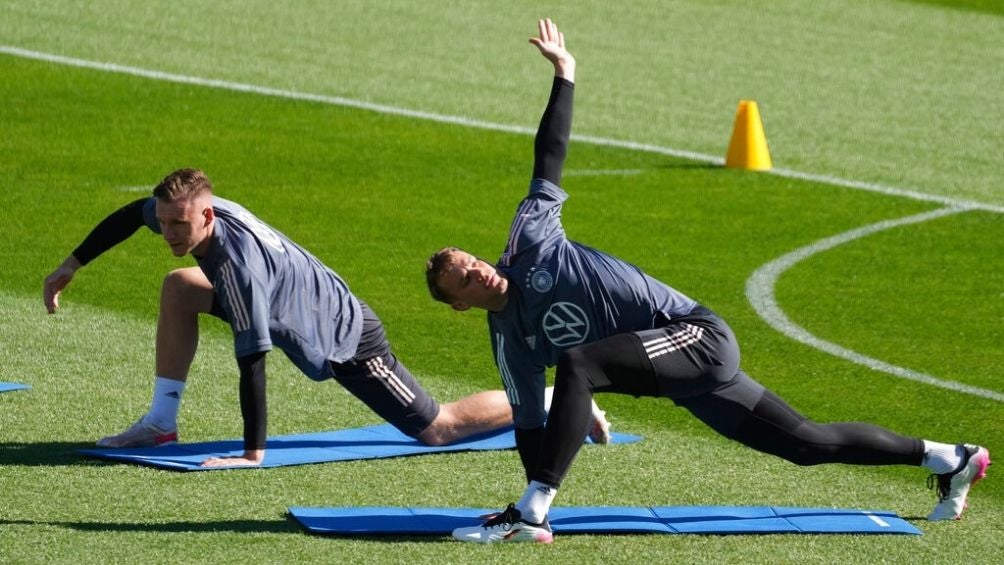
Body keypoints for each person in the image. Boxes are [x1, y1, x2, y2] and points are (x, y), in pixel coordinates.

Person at [426, 18, 991, 543]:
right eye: (465, 281)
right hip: (679, 373)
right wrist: (536, 482)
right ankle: (949, 458)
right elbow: (529, 424)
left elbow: (548, 155)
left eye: (471, 262)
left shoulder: (531, 238)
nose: (477, 271)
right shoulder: (510, 342)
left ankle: (531, 513)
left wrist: (564, 73)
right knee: (804, 443)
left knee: (579, 363)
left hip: (694, 334)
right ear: (460, 306)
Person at [43, 168, 612, 467]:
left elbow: (254, 360)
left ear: (207, 215)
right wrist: (71, 264)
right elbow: (128, 215)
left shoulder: (238, 268)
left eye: (177, 226)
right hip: (289, 302)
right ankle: (161, 422)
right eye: (164, 223)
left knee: (437, 429)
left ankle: (549, 399)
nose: (167, 232)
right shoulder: (187, 211)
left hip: (345, 333)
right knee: (180, 286)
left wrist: (251, 454)